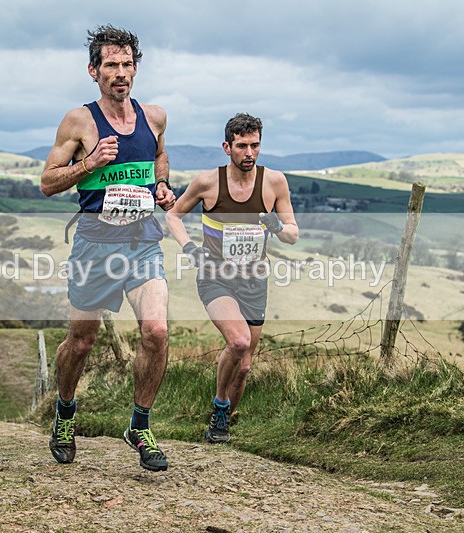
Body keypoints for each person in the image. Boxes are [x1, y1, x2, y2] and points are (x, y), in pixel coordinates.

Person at [40, 24, 176, 472]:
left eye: (127, 64)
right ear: (93, 71)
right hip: (94, 245)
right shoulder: (79, 121)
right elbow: (47, 183)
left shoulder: (153, 116)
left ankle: (139, 425)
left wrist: (161, 184)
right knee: (81, 342)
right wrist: (89, 163)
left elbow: (159, 154)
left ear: (136, 68)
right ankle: (64, 410)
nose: (120, 73)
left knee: (156, 332)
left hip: (142, 242)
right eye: (111, 65)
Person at [165, 113, 299, 443]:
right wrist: (189, 248)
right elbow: (173, 215)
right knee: (238, 342)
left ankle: (221, 424)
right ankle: (220, 404)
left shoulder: (275, 183)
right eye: (242, 146)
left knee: (245, 366)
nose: (249, 153)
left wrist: (276, 227)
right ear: (227, 147)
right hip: (215, 277)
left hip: (254, 281)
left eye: (255, 145)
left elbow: (293, 234)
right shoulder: (208, 182)